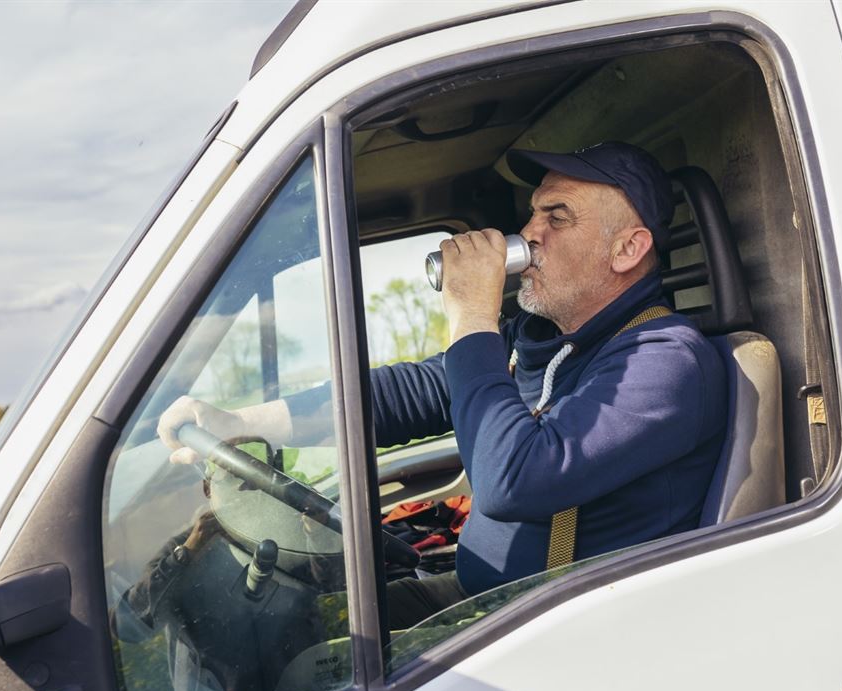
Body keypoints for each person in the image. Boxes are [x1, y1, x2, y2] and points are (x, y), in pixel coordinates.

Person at [158, 141, 728, 629]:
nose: (528, 233)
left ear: (627, 248)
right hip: (483, 600)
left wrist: (470, 315)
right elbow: (400, 396)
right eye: (533, 214)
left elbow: (512, 482)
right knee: (290, 627)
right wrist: (239, 423)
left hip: (554, 626)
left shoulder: (665, 363)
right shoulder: (540, 340)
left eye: (557, 217)